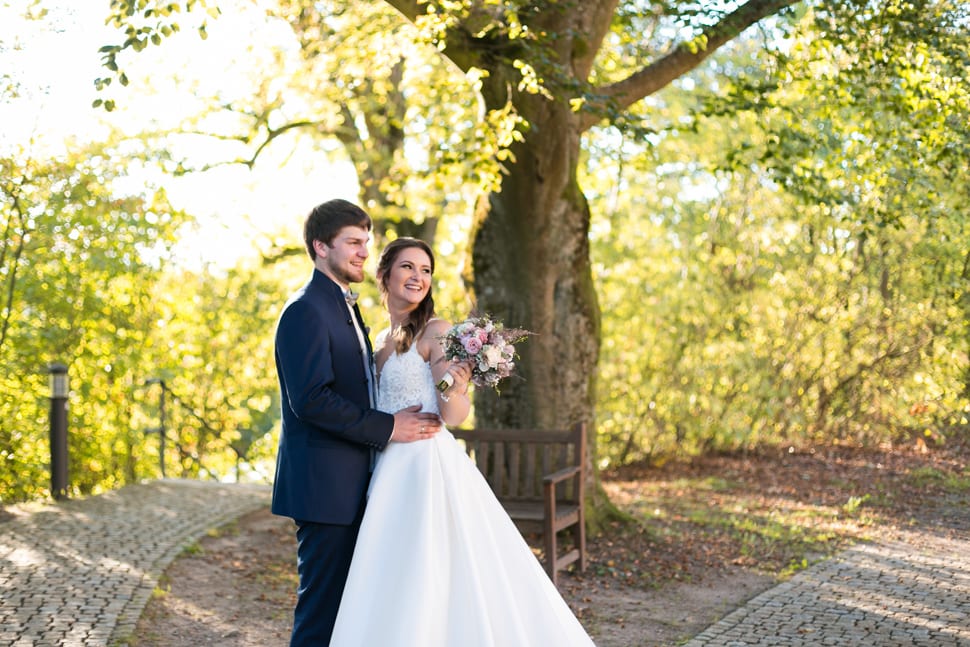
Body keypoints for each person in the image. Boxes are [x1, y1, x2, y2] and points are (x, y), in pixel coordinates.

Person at [329, 237, 596, 646]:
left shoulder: (437, 332)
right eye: (407, 267)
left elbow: (453, 414)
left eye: (425, 270)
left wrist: (456, 380)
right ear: (384, 274)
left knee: (431, 572)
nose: (418, 277)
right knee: (390, 572)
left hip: (425, 469)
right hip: (385, 470)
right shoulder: (379, 340)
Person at [271, 200, 443, 646]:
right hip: (324, 489)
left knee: (352, 614)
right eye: (353, 242)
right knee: (321, 613)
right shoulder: (306, 309)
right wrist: (388, 428)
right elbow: (310, 400)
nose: (363, 251)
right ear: (320, 246)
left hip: (357, 485)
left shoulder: (345, 307)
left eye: (366, 242)